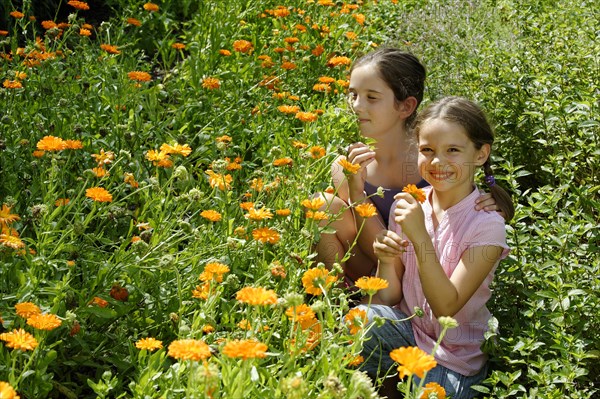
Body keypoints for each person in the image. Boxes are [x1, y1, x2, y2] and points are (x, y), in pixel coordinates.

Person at [360, 96, 514, 399]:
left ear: (481, 154)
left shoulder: (487, 225)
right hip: (410, 332)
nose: (437, 162)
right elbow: (386, 298)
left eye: (453, 150)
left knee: (432, 394)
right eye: (427, 150)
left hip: (455, 355)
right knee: (361, 321)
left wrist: (420, 238)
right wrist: (386, 260)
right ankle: (383, 389)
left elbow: (447, 307)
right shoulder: (410, 205)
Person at [314, 47, 500, 285]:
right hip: (379, 266)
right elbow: (376, 249)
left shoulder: (432, 160)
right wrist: (356, 191)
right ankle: (335, 305)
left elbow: (469, 208)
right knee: (324, 205)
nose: (357, 106)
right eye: (353, 95)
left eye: (372, 97)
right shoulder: (348, 165)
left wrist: (498, 199)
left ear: (406, 106)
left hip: (429, 274)